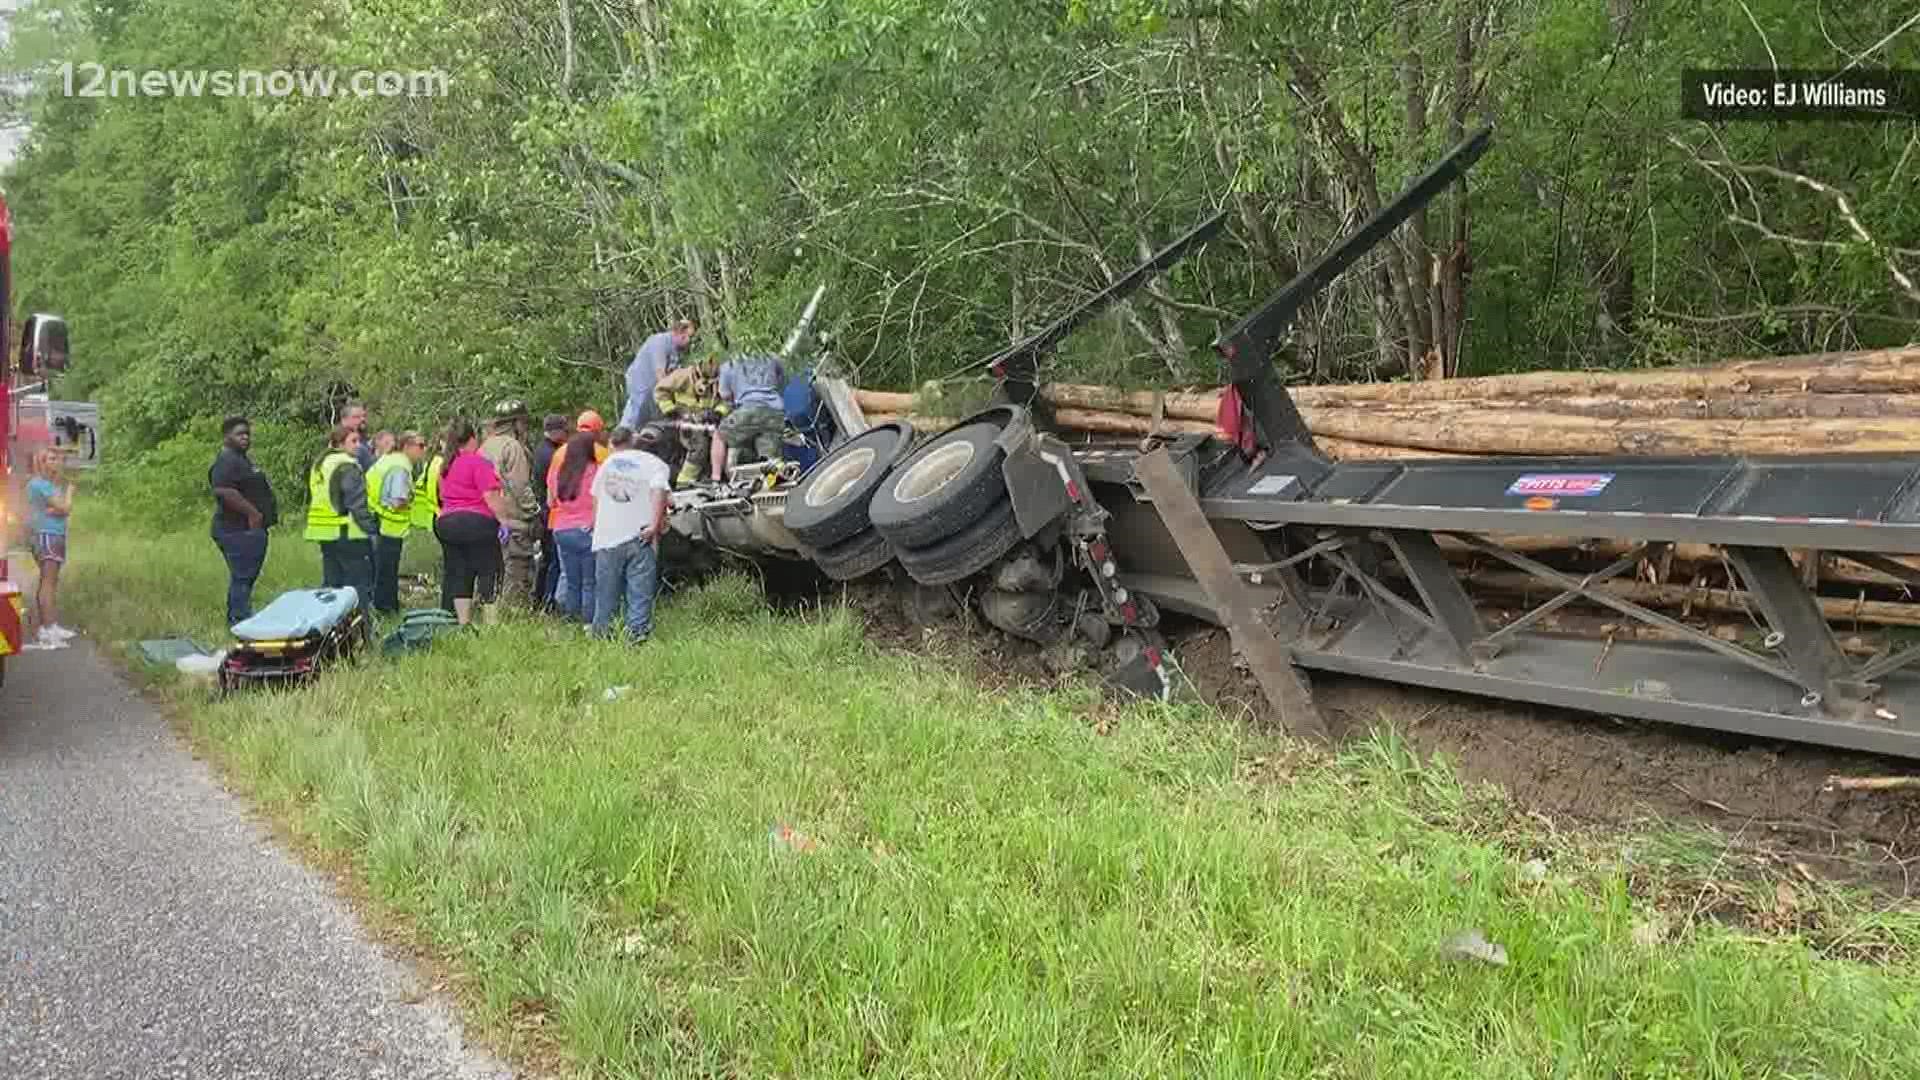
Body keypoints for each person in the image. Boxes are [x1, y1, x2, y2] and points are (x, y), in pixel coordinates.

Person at [590, 425, 671, 642]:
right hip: (639, 535)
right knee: (640, 589)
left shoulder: (609, 462)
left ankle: (601, 635)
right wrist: (654, 526)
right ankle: (636, 635)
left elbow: (596, 498)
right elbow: (658, 492)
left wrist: (596, 527)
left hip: (607, 536)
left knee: (606, 591)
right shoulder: (656, 465)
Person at [433, 419, 514, 625]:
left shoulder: (446, 464)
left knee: (460, 571)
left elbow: (441, 497)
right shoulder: (479, 462)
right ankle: (491, 623)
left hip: (447, 523)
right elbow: (491, 496)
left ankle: (464, 623)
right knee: (489, 568)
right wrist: (504, 521)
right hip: (476, 521)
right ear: (472, 439)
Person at [209, 415, 278, 627]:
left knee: (244, 578)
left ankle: (241, 616)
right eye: (239, 434)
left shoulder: (241, 460)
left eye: (247, 434)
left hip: (247, 529)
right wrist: (253, 514)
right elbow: (223, 491)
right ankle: (238, 620)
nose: (245, 438)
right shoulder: (227, 461)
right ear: (226, 436)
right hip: (237, 529)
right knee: (242, 577)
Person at [303, 424, 379, 613]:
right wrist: (372, 528)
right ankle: (362, 628)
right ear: (339, 444)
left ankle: (328, 628)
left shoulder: (320, 464)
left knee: (332, 584)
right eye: (353, 441)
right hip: (348, 531)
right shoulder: (348, 465)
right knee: (357, 584)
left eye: (359, 441)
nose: (358, 445)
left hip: (324, 531)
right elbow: (356, 504)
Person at [480, 400, 542, 604]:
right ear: (515, 423)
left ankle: (490, 610)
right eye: (523, 422)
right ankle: (513, 612)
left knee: (491, 570)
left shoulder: (484, 447)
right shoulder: (513, 447)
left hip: (486, 517)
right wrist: (533, 511)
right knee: (517, 570)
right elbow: (520, 485)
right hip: (513, 520)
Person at [366, 431, 427, 615]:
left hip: (375, 519)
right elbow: (398, 500)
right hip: (388, 525)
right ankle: (387, 609)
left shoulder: (389, 460)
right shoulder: (400, 467)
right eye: (420, 446)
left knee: (379, 570)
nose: (423, 450)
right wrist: (410, 501)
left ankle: (379, 606)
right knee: (387, 572)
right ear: (406, 446)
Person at [548, 430, 602, 627]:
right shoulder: (595, 470)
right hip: (587, 529)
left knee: (571, 580)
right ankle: (588, 624)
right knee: (589, 582)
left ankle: (569, 622)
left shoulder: (560, 470)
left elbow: (550, 500)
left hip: (561, 530)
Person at [24, 449, 74, 650]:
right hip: (47, 534)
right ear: (40, 463)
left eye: (57, 458)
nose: (57, 462)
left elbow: (59, 509)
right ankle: (47, 628)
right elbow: (65, 508)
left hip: (54, 533)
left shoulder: (48, 484)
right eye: (51, 459)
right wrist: (69, 494)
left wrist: (58, 508)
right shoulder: (39, 484)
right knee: (48, 581)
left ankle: (50, 625)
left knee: (51, 580)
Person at [711, 351, 787, 482]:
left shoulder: (729, 364)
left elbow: (725, 396)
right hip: (774, 412)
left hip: (748, 411)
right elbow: (782, 379)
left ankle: (716, 479)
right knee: (770, 458)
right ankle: (771, 482)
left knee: (719, 435)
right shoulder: (771, 356)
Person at [655, 354, 727, 486]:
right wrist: (669, 409)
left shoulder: (720, 381)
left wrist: (718, 412)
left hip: (707, 422)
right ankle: (684, 482)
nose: (705, 386)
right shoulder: (681, 376)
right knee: (699, 445)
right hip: (684, 420)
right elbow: (660, 390)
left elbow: (726, 400)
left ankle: (715, 477)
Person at [619, 318, 697, 430]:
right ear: (678, 332)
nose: (689, 340)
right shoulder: (660, 342)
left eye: (690, 337)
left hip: (653, 388)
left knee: (650, 420)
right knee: (635, 415)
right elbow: (661, 374)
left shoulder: (677, 351)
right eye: (686, 336)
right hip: (640, 383)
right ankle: (621, 439)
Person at [533, 414, 568, 609]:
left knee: (548, 558)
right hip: (551, 512)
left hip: (546, 511)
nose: (566, 435)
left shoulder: (544, 450)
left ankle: (541, 599)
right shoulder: (551, 454)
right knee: (553, 559)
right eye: (564, 431)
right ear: (556, 431)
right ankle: (548, 601)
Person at [341, 402, 375, 471]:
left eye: (364, 416)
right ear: (344, 420)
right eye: (356, 417)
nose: (362, 419)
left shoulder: (368, 442)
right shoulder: (340, 444)